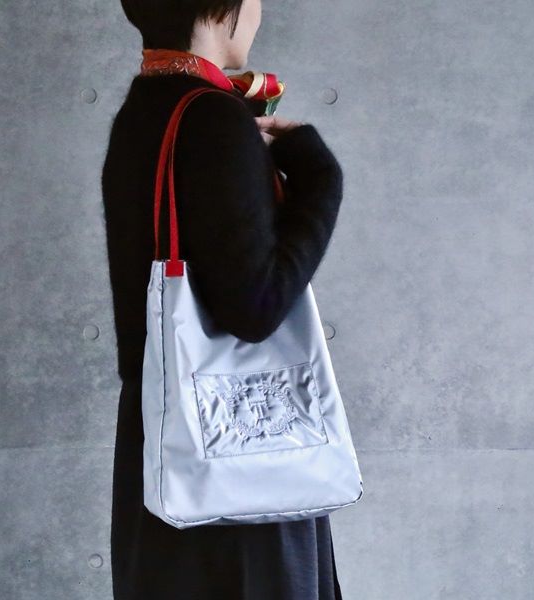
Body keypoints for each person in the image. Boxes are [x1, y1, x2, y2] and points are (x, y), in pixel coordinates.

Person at [101, 0, 346, 597]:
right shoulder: (211, 117)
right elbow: (255, 308)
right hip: (240, 461)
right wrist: (320, 180)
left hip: (163, 446)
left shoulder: (143, 110)